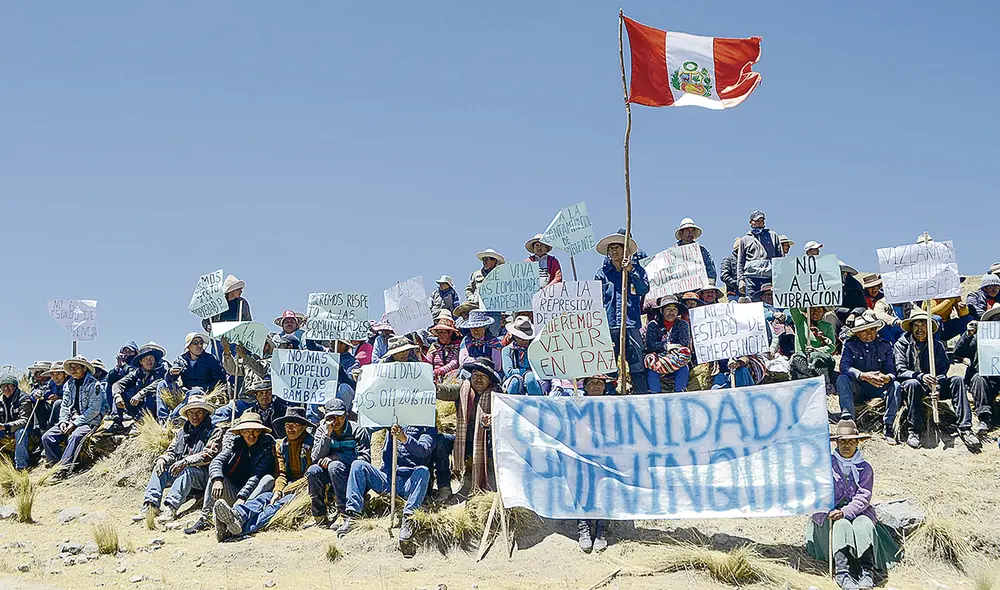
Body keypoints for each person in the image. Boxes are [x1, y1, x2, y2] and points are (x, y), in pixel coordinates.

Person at [806, 419, 898, 590]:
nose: (846, 445)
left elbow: (863, 496)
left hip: (857, 513)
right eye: (842, 441)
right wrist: (833, 511)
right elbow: (818, 491)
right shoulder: (825, 465)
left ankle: (866, 572)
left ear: (857, 442)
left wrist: (846, 511)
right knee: (841, 525)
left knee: (863, 524)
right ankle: (843, 573)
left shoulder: (865, 468)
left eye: (850, 441)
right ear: (836, 443)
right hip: (829, 516)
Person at [210, 406, 317, 542]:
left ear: (303, 427)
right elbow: (281, 473)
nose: (290, 429)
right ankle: (238, 515)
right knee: (263, 499)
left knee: (277, 506)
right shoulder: (281, 445)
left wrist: (284, 491)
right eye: (288, 425)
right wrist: (278, 490)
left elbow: (310, 476)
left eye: (295, 425)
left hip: (303, 489)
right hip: (285, 486)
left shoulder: (311, 444)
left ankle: (239, 529)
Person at [337, 423, 435, 549]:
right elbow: (368, 426)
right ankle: (354, 515)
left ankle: (408, 519)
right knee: (358, 465)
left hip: (409, 482)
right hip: (386, 479)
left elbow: (424, 450)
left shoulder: (427, 425)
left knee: (423, 471)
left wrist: (404, 438)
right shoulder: (392, 418)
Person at [894, 310, 980, 451]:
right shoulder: (901, 345)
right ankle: (914, 431)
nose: (920, 329)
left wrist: (937, 387)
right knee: (913, 384)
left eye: (924, 325)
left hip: (934, 384)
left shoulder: (936, 345)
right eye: (916, 325)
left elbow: (942, 370)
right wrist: (920, 376)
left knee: (957, 381)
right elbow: (900, 370)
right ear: (911, 327)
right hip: (912, 385)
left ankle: (965, 428)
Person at [186, 412, 276, 534]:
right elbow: (216, 461)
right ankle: (205, 518)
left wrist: (242, 497)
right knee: (215, 476)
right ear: (242, 432)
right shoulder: (235, 444)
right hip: (234, 489)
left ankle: (239, 515)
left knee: (268, 479)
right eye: (247, 431)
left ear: (260, 432)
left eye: (255, 431)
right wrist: (217, 479)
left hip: (252, 495)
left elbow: (257, 476)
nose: (251, 435)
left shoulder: (267, 446)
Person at [135, 394, 216, 523]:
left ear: (205, 414)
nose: (195, 416)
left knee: (188, 471)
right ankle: (151, 505)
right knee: (160, 468)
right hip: (181, 472)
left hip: (203, 476)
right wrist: (163, 459)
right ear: (187, 415)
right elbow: (172, 451)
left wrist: (185, 462)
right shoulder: (182, 433)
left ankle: (171, 508)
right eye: (191, 413)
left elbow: (208, 455)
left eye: (199, 412)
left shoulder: (213, 431)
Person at [595, 231, 650, 393]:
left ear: (625, 250)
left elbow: (643, 289)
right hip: (609, 325)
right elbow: (596, 300)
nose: (614, 251)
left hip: (631, 323)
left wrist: (631, 270)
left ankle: (641, 397)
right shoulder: (602, 274)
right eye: (611, 248)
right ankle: (609, 396)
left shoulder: (637, 270)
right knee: (608, 366)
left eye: (618, 247)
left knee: (636, 365)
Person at [837, 311, 902, 443]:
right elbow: (844, 367)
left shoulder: (885, 345)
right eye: (864, 331)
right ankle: (847, 420)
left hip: (879, 387)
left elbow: (891, 370)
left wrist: (886, 378)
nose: (869, 334)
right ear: (857, 333)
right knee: (842, 379)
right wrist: (863, 376)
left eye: (872, 330)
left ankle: (888, 425)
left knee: (895, 386)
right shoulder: (850, 345)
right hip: (858, 386)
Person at [307, 398, 371, 527]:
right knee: (313, 471)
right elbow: (315, 457)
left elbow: (365, 459)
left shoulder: (357, 430)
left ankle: (344, 512)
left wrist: (338, 457)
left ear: (345, 415)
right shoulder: (322, 430)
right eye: (331, 417)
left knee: (335, 466)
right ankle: (319, 516)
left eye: (339, 417)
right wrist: (327, 435)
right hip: (330, 475)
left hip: (352, 476)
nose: (335, 421)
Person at [440, 358, 500, 492]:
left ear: (490, 380)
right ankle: (444, 487)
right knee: (440, 442)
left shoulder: (498, 395)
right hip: (465, 442)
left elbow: (506, 419)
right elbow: (447, 392)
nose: (478, 379)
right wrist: (435, 388)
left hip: (487, 446)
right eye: (475, 375)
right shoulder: (463, 390)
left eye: (483, 376)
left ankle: (487, 479)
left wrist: (493, 420)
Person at [575, 374, 616, 553]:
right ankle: (584, 528)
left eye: (600, 383)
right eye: (592, 383)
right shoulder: (575, 403)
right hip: (583, 455)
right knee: (584, 490)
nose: (596, 386)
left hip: (607, 456)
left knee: (605, 491)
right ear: (585, 387)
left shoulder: (613, 404)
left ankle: (601, 531)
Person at [41, 356, 105, 471]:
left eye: (76, 367)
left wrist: (75, 423)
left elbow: (94, 410)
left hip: (89, 421)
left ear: (84, 368)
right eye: (71, 367)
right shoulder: (69, 385)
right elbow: (65, 405)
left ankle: (64, 469)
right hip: (71, 419)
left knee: (75, 437)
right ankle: (55, 467)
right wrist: (63, 421)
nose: (73, 370)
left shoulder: (94, 385)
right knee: (47, 437)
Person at [951, 305, 999, 433]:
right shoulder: (979, 337)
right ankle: (984, 419)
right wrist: (968, 334)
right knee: (978, 378)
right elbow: (958, 352)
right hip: (987, 379)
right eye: (996, 319)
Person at [160, 332, 226, 421]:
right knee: (162, 384)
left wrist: (207, 388)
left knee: (195, 390)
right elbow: (169, 380)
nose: (199, 345)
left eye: (201, 343)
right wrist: (171, 373)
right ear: (188, 346)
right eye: (195, 343)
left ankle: (174, 417)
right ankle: (162, 418)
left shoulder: (211, 359)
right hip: (185, 391)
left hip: (203, 391)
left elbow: (220, 380)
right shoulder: (181, 359)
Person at [643, 295, 692, 393]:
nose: (671, 312)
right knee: (652, 369)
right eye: (668, 309)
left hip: (677, 358)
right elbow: (649, 345)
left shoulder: (683, 324)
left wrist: (672, 350)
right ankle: (655, 394)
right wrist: (666, 346)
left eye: (674, 310)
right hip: (658, 359)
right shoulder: (653, 325)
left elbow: (684, 344)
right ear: (662, 311)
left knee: (683, 368)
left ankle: (680, 394)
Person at [112, 343, 168, 422]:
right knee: (119, 392)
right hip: (136, 405)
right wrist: (117, 396)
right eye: (146, 359)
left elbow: (157, 383)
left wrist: (140, 394)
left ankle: (142, 421)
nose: (149, 361)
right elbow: (118, 384)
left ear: (155, 360)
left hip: (152, 407)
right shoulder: (137, 372)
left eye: (151, 358)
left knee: (152, 396)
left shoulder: (161, 371)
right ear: (141, 362)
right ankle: (117, 420)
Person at [735, 210, 783, 297]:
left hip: (768, 276)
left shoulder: (773, 236)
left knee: (769, 301)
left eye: (762, 220)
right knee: (752, 303)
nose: (760, 223)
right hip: (751, 277)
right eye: (757, 221)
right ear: (751, 222)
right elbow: (740, 261)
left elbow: (779, 257)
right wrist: (741, 280)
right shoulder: (745, 239)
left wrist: (779, 277)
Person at [790, 307, 838, 386]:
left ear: (823, 312)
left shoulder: (827, 326)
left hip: (821, 358)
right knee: (797, 359)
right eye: (812, 310)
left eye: (818, 310)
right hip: (804, 358)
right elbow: (793, 307)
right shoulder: (800, 321)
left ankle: (825, 383)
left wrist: (816, 350)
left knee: (816, 356)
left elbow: (832, 347)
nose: (815, 313)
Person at [501, 316, 544, 395]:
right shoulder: (507, 350)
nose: (525, 341)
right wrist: (527, 371)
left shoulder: (535, 349)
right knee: (515, 380)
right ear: (515, 336)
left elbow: (541, 369)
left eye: (526, 338)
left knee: (530, 378)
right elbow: (509, 372)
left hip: (534, 381)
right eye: (521, 338)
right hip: (515, 382)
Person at [0, 373, 33, 470]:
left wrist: (6, 426)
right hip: (4, 430)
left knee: (21, 433)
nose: (6, 388)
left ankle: (21, 466)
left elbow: (24, 420)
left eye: (9, 385)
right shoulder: (1, 399)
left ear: (15, 386)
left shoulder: (23, 398)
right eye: (3, 386)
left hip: (24, 429)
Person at [425, 313, 461, 382]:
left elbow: (454, 362)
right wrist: (420, 355)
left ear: (450, 333)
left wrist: (441, 370)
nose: (440, 335)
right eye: (438, 332)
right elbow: (428, 362)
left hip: (452, 378)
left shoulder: (457, 346)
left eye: (442, 332)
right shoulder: (434, 346)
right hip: (435, 377)